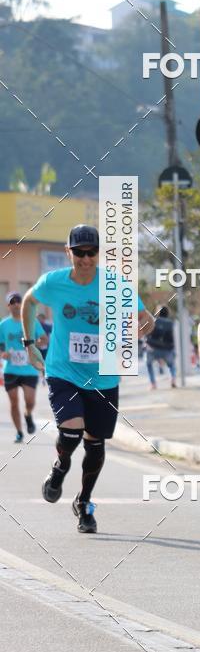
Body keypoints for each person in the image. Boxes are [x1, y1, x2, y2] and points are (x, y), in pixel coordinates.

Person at [21, 224, 155, 533]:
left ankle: (84, 502)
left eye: (90, 253)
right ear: (68, 252)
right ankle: (60, 467)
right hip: (63, 372)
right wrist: (29, 346)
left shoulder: (113, 284)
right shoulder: (52, 283)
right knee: (71, 434)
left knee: (95, 446)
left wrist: (138, 331)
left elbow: (146, 318)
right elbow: (29, 301)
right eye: (78, 253)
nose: (84, 259)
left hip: (103, 378)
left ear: (99, 253)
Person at [0, 292, 47, 442]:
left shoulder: (31, 320)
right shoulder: (4, 324)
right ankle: (19, 431)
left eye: (18, 301)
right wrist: (3, 353)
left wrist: (32, 345)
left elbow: (44, 339)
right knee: (13, 402)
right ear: (8, 305)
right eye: (12, 302)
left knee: (30, 401)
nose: (15, 304)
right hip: (11, 369)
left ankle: (28, 414)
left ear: (22, 304)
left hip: (29, 368)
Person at [146, 306, 176, 389]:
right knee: (171, 365)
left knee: (149, 364)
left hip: (153, 348)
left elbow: (148, 334)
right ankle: (173, 379)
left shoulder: (153, 321)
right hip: (167, 349)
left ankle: (153, 384)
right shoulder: (171, 323)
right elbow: (172, 338)